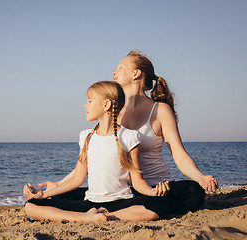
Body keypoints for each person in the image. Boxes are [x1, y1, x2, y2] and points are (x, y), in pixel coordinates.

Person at [41, 50, 219, 215]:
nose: (114, 72)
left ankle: (117, 212)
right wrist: (59, 184)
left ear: (136, 73)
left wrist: (200, 177)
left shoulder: (160, 110)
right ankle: (119, 211)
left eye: (120, 67)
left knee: (194, 192)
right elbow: (92, 159)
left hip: (156, 186)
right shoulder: (112, 112)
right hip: (123, 191)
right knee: (58, 196)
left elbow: (179, 154)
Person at [23, 81, 170, 222]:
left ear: (106, 105)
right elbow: (77, 179)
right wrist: (43, 195)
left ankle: (108, 215)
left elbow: (137, 182)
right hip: (90, 203)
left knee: (157, 205)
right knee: (30, 206)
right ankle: (85, 218)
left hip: (121, 202)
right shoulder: (86, 136)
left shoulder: (129, 136)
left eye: (90, 101)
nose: (85, 105)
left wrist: (152, 192)